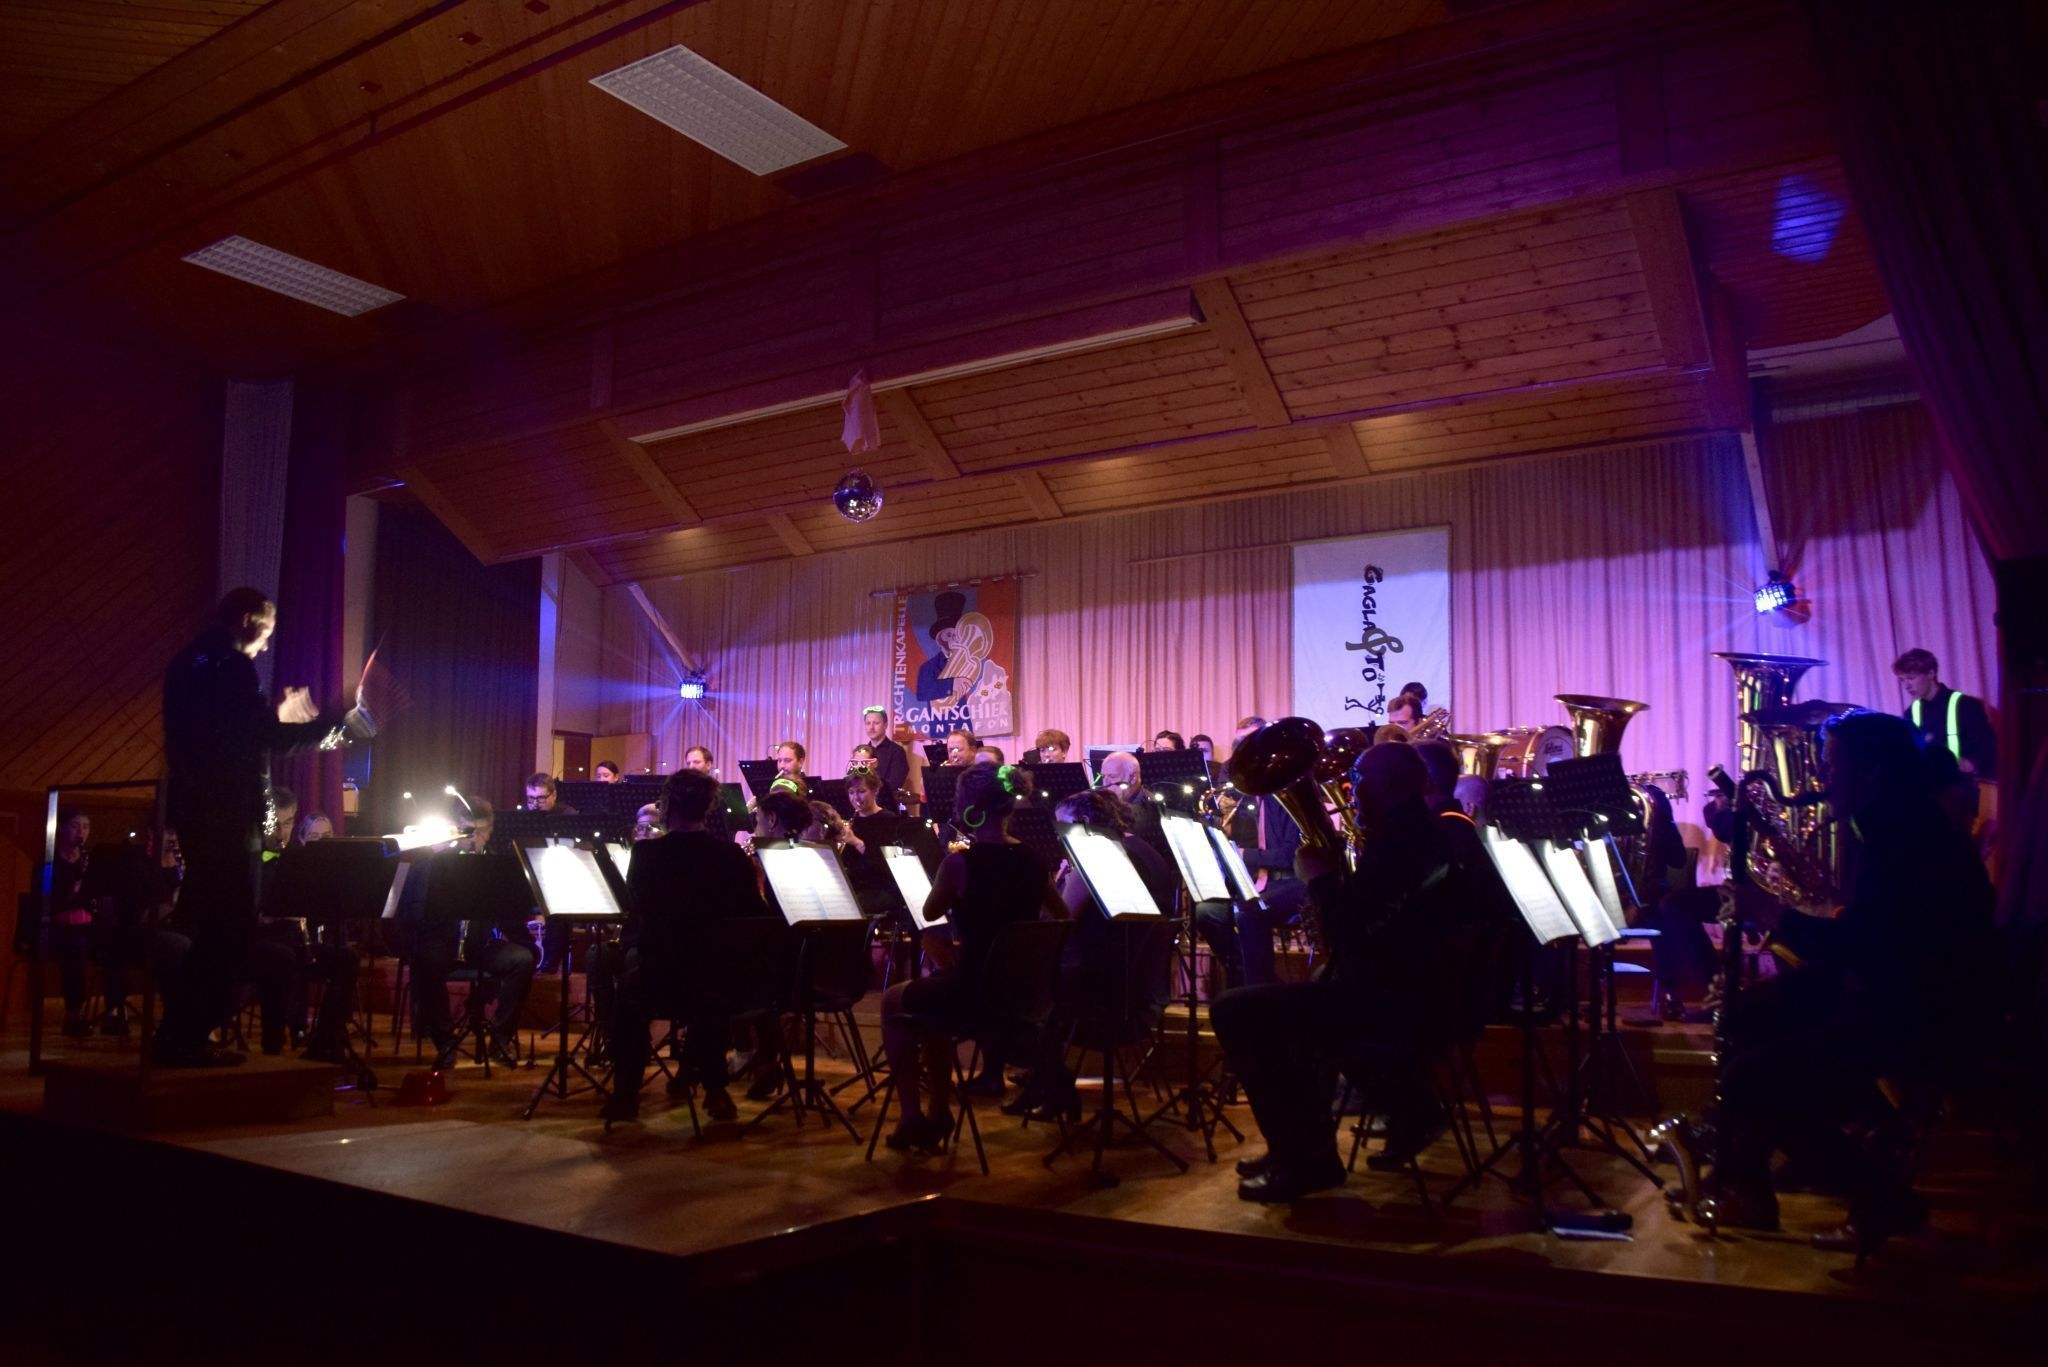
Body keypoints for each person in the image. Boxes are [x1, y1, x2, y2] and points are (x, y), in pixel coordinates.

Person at [1706, 711, 1995, 1251]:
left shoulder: (1908, 841)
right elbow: (1877, 944)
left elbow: (1867, 945)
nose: (1822, 778)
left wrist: (1774, 915)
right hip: (1902, 998)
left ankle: (1884, 1202)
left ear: (1872, 773)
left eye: (1833, 764)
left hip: (1924, 1022)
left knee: (1753, 1078)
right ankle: (1743, 1181)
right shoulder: (1899, 827)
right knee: (1753, 1017)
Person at [1215, 744, 1470, 1202]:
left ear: (1386, 785)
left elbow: (1351, 934)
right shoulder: (1419, 832)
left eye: (1360, 779)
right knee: (1300, 1006)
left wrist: (1320, 881)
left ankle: (1305, 1157)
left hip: (1397, 1004)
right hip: (1416, 994)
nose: (1351, 792)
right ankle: (1305, 1146)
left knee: (1236, 1011)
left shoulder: (1401, 843)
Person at [157, 588, 374, 1068]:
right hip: (229, 813)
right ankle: (182, 1037)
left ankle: (180, 1035)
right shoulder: (232, 666)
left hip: (195, 807)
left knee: (218, 927)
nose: (267, 643)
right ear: (248, 620)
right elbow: (262, 738)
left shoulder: (188, 662)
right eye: (267, 631)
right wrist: (340, 730)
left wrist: (271, 717)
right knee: (229, 930)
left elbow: (226, 736)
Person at [877, 765, 1062, 1152]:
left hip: (976, 992)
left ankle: (913, 1117)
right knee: (931, 1005)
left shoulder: (960, 863)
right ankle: (937, 1112)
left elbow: (930, 911)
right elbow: (1062, 917)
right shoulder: (1033, 861)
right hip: (1022, 994)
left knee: (893, 1000)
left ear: (969, 809)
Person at [603, 769, 774, 1125]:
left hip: (661, 976)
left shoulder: (647, 854)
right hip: (720, 976)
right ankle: (715, 1089)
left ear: (667, 806)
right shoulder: (731, 856)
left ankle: (625, 1095)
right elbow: (754, 917)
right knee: (709, 994)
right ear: (709, 808)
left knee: (628, 994)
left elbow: (637, 912)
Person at [1007, 788, 1176, 1120]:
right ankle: (1043, 1080)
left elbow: (1059, 919)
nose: (1061, 838)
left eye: (1064, 828)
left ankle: (1054, 1085)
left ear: (1083, 822)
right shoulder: (1143, 850)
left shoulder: (1099, 856)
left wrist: (1058, 881)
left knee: (1022, 988)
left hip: (1109, 987)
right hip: (1142, 983)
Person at [406, 799, 537, 1070]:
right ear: (457, 830)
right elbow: (415, 912)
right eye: (468, 831)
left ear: (490, 831)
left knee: (522, 960)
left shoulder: (496, 866)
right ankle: (445, 1040)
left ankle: (500, 1038)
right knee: (426, 960)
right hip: (443, 942)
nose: (475, 838)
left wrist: (528, 945)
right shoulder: (436, 864)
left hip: (481, 946)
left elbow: (509, 915)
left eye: (481, 831)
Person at [1225, 718, 1310, 988]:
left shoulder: (1286, 793)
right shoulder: (1247, 798)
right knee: (1209, 912)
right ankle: (1242, 978)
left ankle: (1259, 991)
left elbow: (1287, 856)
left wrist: (1241, 853)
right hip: (1258, 879)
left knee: (1249, 913)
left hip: (1294, 881)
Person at [1893, 648, 1996, 780]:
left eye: (1911, 678)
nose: (1906, 685)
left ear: (1931, 673)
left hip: (1964, 783)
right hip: (1931, 785)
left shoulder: (1965, 704)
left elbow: (1988, 745)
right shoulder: (1910, 713)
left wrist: (1971, 764)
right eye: (1902, 680)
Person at [860, 704, 910, 807]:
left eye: (876, 723)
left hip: (886, 807)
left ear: (886, 725)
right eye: (868, 723)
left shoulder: (897, 751)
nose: (871, 727)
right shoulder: (862, 753)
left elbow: (894, 784)